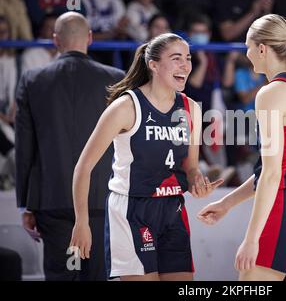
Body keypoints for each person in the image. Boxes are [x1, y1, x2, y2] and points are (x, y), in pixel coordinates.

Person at [198, 14, 286, 281]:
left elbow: (274, 174)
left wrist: (252, 238)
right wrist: (228, 202)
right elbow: (273, 168)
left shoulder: (272, 92)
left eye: (248, 47)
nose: (248, 54)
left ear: (262, 49)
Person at [69, 33, 223, 281]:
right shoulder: (126, 107)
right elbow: (83, 168)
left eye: (188, 58)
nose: (185, 65)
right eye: (176, 58)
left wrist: (197, 182)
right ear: (153, 64)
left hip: (173, 210)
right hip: (132, 209)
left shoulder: (191, 108)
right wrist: (81, 222)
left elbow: (191, 167)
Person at [15, 12, 125, 281]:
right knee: (98, 276)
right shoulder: (116, 79)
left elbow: (24, 148)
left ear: (55, 40)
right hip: (102, 199)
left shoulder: (32, 80)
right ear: (89, 37)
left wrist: (25, 205)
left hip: (52, 200)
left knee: (61, 275)